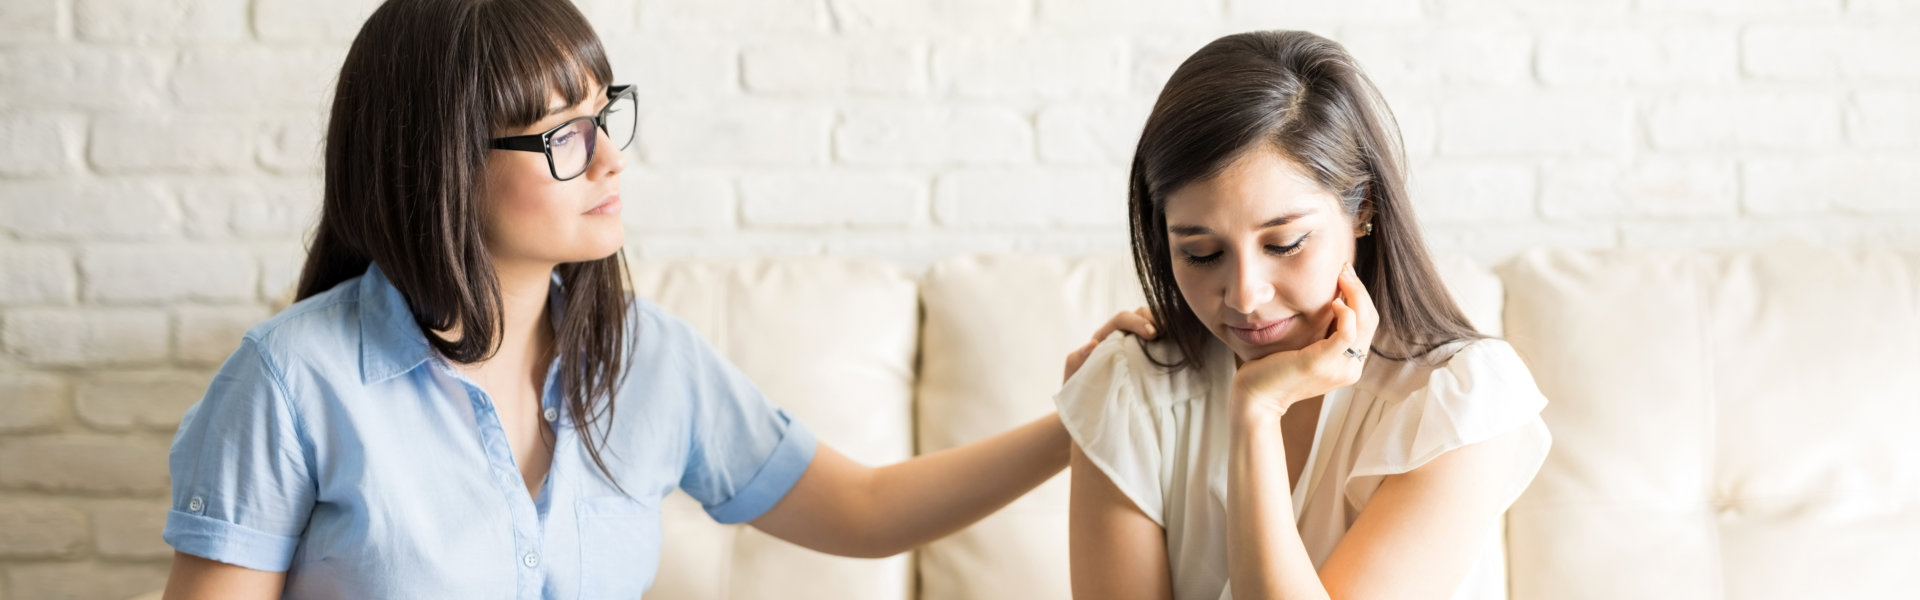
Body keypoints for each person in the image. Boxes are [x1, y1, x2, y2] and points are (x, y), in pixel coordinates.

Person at [158, 0, 1146, 597]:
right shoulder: (291, 383)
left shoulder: (642, 360)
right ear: (444, 166)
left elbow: (865, 507)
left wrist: (1078, 422)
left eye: (604, 116)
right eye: (562, 137)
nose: (609, 161)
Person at [1058, 30, 1553, 600]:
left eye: (1286, 243)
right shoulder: (1131, 387)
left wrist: (1256, 411)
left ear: (1363, 207)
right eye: (1201, 254)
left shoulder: (1459, 401)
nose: (1244, 297)